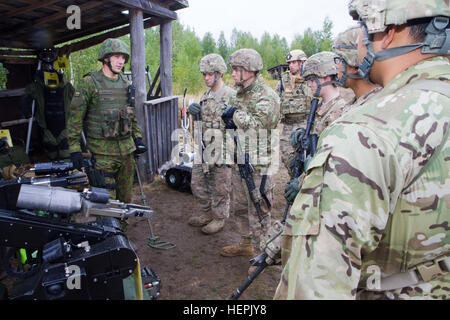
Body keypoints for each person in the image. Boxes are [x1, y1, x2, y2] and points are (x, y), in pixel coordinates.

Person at [274, 0, 450, 300]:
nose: (357, 41)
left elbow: (317, 282)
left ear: (388, 31)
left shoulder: (366, 130)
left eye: (361, 27)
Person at [67, 38, 146, 204]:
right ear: (105, 58)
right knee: (105, 203)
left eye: (124, 58)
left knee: (125, 200)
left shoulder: (125, 83)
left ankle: (121, 230)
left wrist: (137, 138)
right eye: (117, 56)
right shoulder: (89, 83)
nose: (121, 61)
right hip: (102, 155)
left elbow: (131, 114)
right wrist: (74, 149)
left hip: (126, 152)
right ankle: (109, 229)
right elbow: (75, 117)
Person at [220, 48, 281, 260]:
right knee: (239, 207)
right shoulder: (238, 94)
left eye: (237, 70)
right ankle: (246, 244)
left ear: (250, 70)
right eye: (233, 69)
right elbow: (231, 128)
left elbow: (256, 126)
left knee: (259, 211)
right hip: (240, 161)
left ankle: (263, 254)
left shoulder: (268, 96)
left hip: (259, 166)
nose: (234, 74)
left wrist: (235, 114)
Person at [284, 51, 349, 204]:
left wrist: (301, 181)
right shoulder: (320, 107)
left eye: (312, 79)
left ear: (326, 77)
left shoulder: (338, 113)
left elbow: (328, 162)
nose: (309, 84)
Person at [187, 53, 236, 234]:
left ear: (219, 73)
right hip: (204, 146)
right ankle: (205, 212)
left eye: (210, 74)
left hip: (223, 148)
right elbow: (201, 123)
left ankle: (219, 217)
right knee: (197, 182)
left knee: (220, 186)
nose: (206, 78)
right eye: (204, 74)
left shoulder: (231, 96)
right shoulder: (205, 96)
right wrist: (194, 114)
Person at [24, 47, 74, 160]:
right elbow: (26, 98)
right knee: (52, 149)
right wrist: (27, 112)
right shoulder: (37, 86)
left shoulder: (66, 86)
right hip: (48, 125)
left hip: (62, 124)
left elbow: (77, 99)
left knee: (63, 149)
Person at [275, 50, 311, 170]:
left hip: (306, 123)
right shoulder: (283, 81)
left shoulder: (310, 79)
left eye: (294, 62)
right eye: (289, 63)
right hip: (288, 125)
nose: (291, 65)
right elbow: (276, 100)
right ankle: (294, 178)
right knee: (286, 155)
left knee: (308, 155)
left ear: (302, 62)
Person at [332, 25, 382, 111]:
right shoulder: (357, 104)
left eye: (339, 59)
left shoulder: (375, 108)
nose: (336, 66)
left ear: (355, 65)